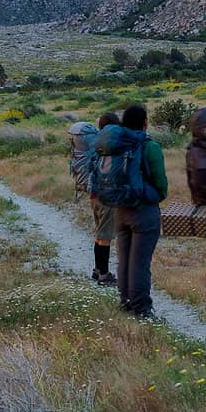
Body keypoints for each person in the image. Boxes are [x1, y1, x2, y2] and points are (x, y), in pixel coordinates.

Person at [112, 104, 167, 318]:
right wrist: (156, 196)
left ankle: (125, 301)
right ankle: (141, 308)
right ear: (145, 122)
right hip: (144, 210)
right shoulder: (149, 146)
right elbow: (161, 182)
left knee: (124, 259)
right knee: (140, 262)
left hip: (120, 208)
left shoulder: (117, 144)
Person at [90, 112, 121, 286]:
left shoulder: (95, 143)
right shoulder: (115, 144)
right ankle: (104, 274)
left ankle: (97, 270)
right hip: (108, 195)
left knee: (99, 232)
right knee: (106, 235)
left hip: (94, 194)